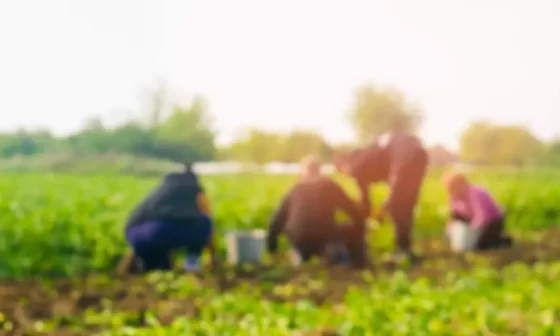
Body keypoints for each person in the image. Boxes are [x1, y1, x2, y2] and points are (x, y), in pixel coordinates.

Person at [337, 129, 428, 263]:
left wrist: (377, 212)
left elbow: (365, 200)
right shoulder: (367, 155)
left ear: (344, 164)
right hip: (420, 154)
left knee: (397, 207)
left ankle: (402, 252)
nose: (347, 175)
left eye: (342, 172)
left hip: (404, 156)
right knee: (406, 206)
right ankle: (406, 250)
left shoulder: (355, 166)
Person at [266, 155, 367, 267]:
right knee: (349, 229)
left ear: (302, 173)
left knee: (296, 229)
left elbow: (276, 222)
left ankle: (302, 254)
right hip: (325, 238)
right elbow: (354, 211)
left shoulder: (295, 190)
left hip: (299, 239)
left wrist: (272, 250)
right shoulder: (330, 186)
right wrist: (361, 228)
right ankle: (356, 261)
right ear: (320, 171)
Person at [123, 162, 217, 272]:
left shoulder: (165, 188)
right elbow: (208, 217)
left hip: (137, 234)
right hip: (158, 231)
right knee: (204, 222)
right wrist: (213, 256)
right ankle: (192, 264)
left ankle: (143, 267)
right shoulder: (194, 188)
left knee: (161, 268)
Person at [443, 172, 512, 250]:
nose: (452, 191)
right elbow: (453, 216)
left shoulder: (476, 193)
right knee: (457, 218)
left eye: (454, 187)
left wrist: (472, 232)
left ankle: (501, 240)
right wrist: (450, 232)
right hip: (473, 220)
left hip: (492, 222)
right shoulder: (454, 197)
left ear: (462, 184)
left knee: (481, 246)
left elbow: (482, 216)